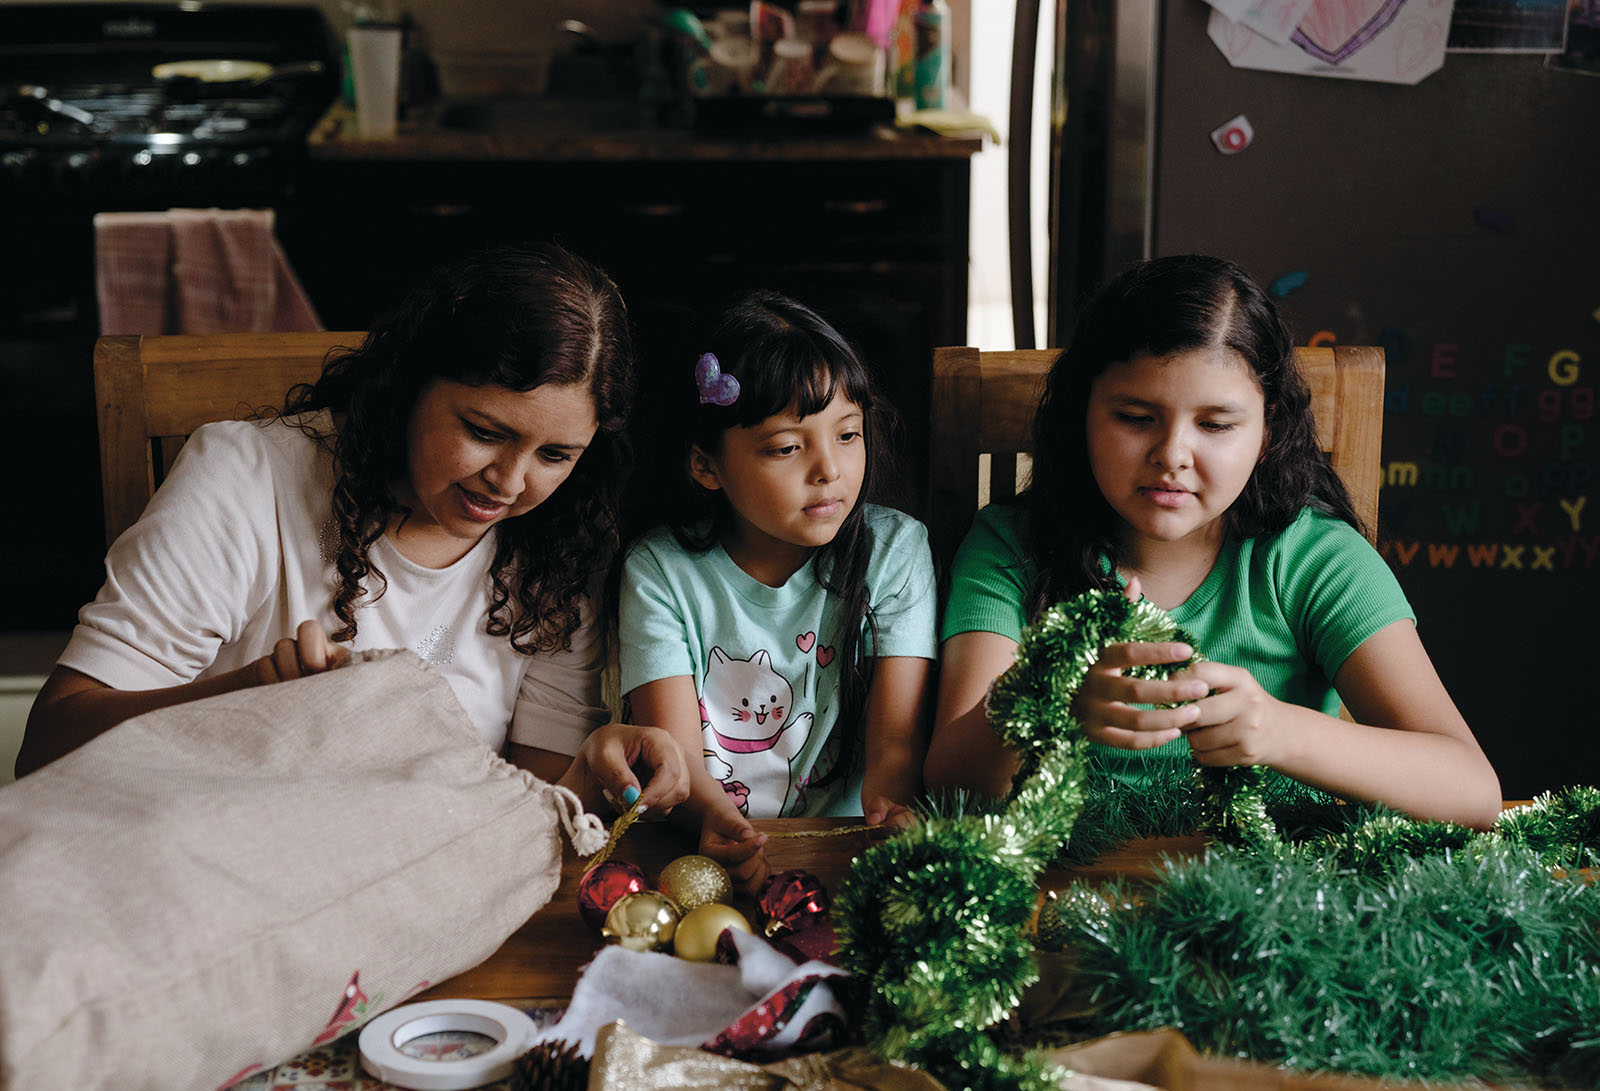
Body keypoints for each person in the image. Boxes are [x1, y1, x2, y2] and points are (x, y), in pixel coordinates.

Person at [16, 242, 689, 814]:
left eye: (555, 455)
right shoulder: (247, 476)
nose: (511, 483)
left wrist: (590, 769)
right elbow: (48, 747)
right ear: (410, 384)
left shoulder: (563, 543)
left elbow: (528, 804)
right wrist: (249, 699)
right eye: (484, 432)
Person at [925, 254, 1501, 829]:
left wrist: (1278, 731)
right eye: (1135, 416)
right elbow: (949, 780)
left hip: (1273, 895)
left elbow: (1471, 791)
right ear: (1082, 416)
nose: (1172, 454)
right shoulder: (1009, 548)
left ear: (1268, 432)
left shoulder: (1315, 559)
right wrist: (1052, 702)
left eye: (1216, 425)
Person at [619, 291, 938, 889]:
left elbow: (895, 738)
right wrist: (717, 824)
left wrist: (893, 814)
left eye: (848, 435)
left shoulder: (896, 552)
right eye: (788, 447)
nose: (829, 470)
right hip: (694, 850)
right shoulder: (661, 569)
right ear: (706, 466)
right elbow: (676, 751)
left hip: (843, 853)